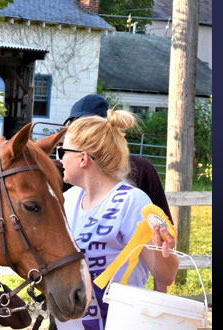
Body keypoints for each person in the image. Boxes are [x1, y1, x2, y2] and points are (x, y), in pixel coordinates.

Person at [55, 109, 179, 330]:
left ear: (83, 158)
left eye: (63, 151)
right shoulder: (67, 200)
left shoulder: (131, 202)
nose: (60, 158)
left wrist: (162, 249)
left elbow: (166, 275)